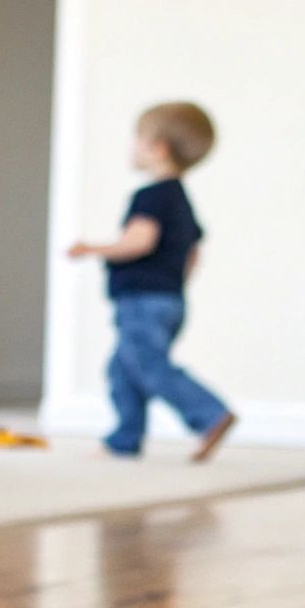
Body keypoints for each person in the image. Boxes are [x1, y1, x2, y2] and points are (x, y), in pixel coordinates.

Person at [69, 102, 236, 462]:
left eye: (137, 140)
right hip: (170, 300)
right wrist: (176, 286)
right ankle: (124, 438)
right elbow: (193, 253)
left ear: (158, 148)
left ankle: (209, 414)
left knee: (149, 366)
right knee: (124, 368)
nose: (132, 148)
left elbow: (138, 242)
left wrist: (92, 248)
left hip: (142, 300)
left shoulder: (151, 196)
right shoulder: (181, 201)